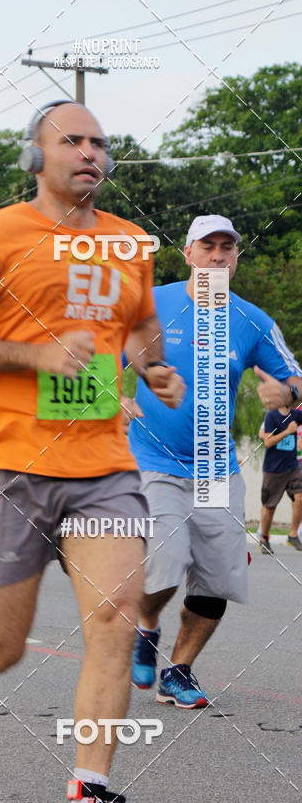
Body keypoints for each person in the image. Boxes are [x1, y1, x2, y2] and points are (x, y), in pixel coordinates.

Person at [0, 100, 184, 803]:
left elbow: (139, 326)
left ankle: (85, 802)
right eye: (72, 140)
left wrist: (153, 368)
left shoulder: (131, 243)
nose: (90, 152)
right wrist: (34, 356)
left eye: (100, 142)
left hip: (102, 466)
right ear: (36, 157)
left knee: (115, 619)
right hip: (8, 466)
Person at [128, 214, 302, 709]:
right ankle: (146, 627)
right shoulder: (152, 305)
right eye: (209, 246)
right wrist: (113, 400)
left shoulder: (252, 321)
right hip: (153, 460)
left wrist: (285, 391)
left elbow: (297, 380)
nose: (219, 256)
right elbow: (92, 355)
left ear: (237, 256)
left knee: (218, 576)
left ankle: (178, 671)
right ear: (188, 253)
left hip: (214, 467)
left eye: (229, 247)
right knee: (165, 559)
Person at [257, 407, 302, 553]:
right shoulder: (272, 415)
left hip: (293, 466)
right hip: (274, 468)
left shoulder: (296, 414)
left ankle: (293, 535)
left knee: (300, 497)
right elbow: (266, 439)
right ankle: (264, 538)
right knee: (270, 506)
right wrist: (286, 432)